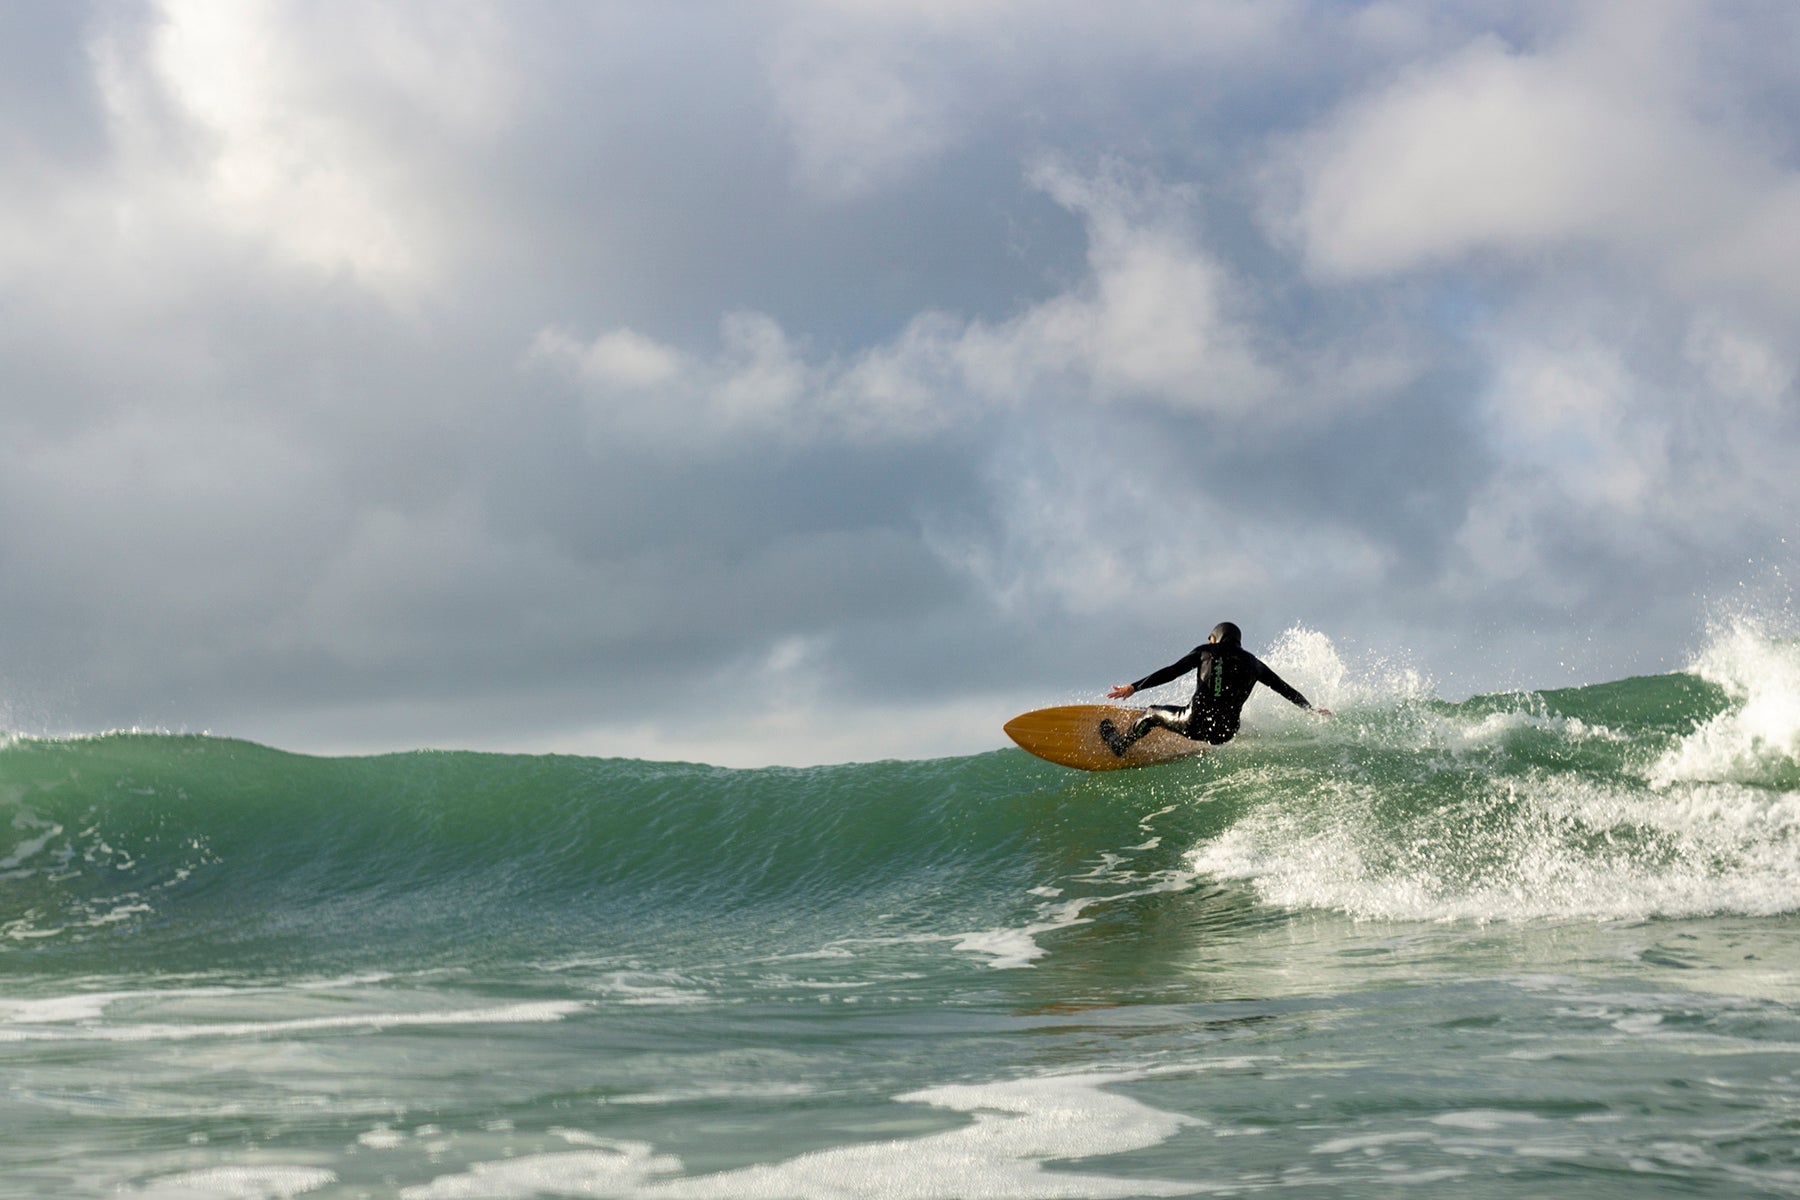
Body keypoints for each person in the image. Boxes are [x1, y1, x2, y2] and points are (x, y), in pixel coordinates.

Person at [1101, 621, 1329, 755]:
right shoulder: (1254, 664)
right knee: (1234, 720)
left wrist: (1134, 687)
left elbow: (1172, 672)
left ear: (1216, 637)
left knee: (1151, 713)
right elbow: (1285, 689)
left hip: (1194, 722)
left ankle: (1120, 745)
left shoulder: (1206, 652)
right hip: (1225, 733)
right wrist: (1311, 710)